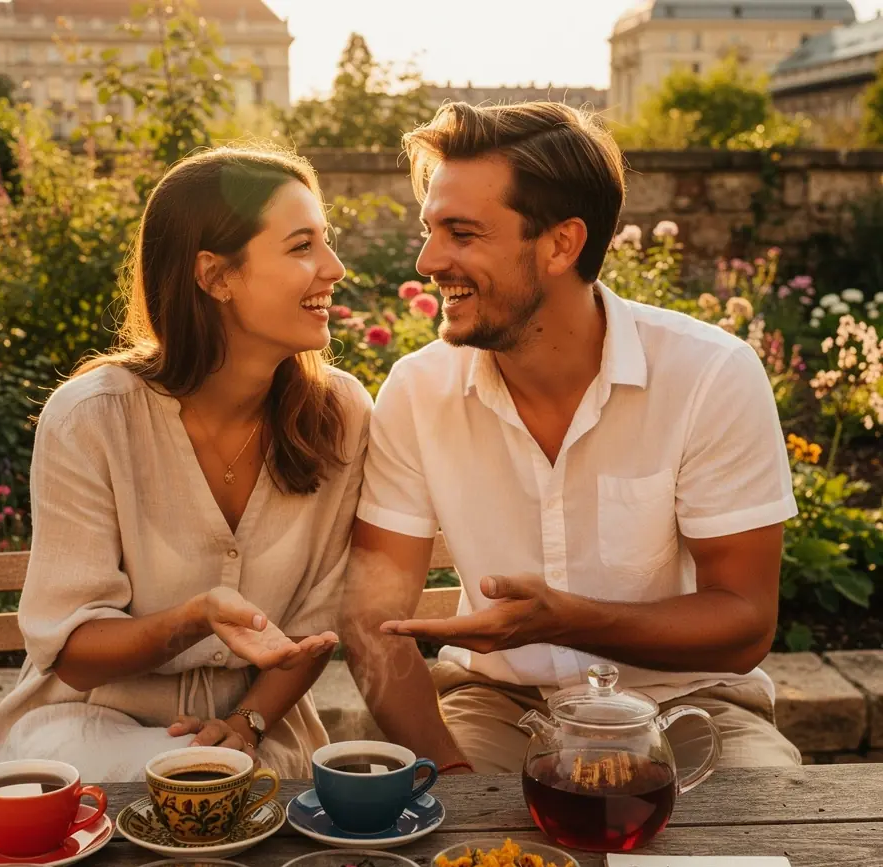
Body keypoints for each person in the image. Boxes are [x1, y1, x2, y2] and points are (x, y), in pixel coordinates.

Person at [342, 101, 802, 774]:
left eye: (461, 233)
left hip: (690, 703)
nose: (428, 258)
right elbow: (371, 621)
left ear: (561, 244)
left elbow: (744, 625)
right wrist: (456, 777)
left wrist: (570, 619)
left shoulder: (709, 375)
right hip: (495, 702)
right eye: (431, 229)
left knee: (762, 837)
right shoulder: (418, 390)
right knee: (457, 854)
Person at [0, 146, 372, 782]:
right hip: (86, 732)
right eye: (302, 246)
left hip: (256, 737)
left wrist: (244, 724)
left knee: (237, 786)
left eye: (324, 242)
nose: (335, 267)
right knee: (202, 783)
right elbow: (75, 656)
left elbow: (312, 630)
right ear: (215, 276)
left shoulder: (342, 414)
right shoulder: (92, 418)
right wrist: (193, 619)